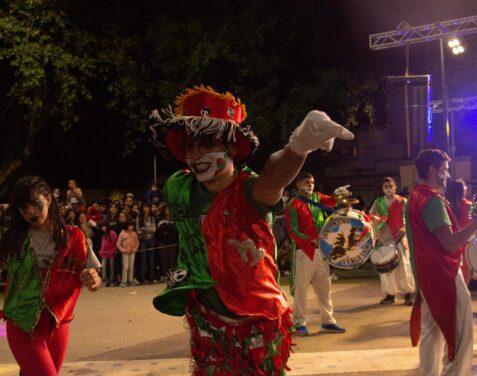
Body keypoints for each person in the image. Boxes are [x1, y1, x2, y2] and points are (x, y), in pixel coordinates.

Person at [150, 85, 354, 374]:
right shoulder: (178, 187)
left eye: (207, 143)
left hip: (259, 319)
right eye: (190, 145)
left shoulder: (249, 190)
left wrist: (298, 148)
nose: (196, 154)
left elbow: (274, 177)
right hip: (207, 321)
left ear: (231, 146)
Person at [0, 176, 102, 376]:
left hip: (58, 323)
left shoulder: (74, 237)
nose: (31, 212)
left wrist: (93, 279)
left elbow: (95, 280)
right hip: (22, 324)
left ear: (48, 198)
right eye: (24, 209)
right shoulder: (12, 239)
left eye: (36, 205)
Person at [406, 149, 477, 376]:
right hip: (444, 276)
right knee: (459, 336)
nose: (447, 175)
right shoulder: (432, 201)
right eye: (444, 170)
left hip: (426, 277)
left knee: (431, 334)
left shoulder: (414, 197)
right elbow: (449, 243)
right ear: (432, 170)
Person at [285, 172, 346, 335]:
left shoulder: (318, 197)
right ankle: (299, 323)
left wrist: (338, 194)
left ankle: (328, 321)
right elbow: (292, 231)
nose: (310, 185)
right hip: (304, 252)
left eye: (312, 182)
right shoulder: (293, 205)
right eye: (306, 182)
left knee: (325, 288)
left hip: (321, 252)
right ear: (298, 185)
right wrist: (309, 239)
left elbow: (332, 201)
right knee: (301, 290)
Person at [369, 177, 415, 306]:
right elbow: (370, 216)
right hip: (384, 238)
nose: (388, 188)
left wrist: (404, 228)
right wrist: (376, 227)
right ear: (382, 189)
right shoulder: (378, 202)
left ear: (395, 187)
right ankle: (390, 295)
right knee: (387, 268)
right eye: (385, 186)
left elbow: (408, 217)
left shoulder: (402, 201)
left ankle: (408, 294)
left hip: (400, 237)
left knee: (404, 266)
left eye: (390, 186)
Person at [445, 179, 473, 284]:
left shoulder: (446, 205)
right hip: (466, 241)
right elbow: (471, 223)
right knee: (466, 271)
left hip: (453, 240)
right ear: (463, 190)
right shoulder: (469, 205)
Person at [116, 220, 139, 287]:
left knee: (131, 266)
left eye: (132, 225)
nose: (131, 227)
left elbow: (137, 242)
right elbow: (118, 243)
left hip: (132, 252)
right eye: (130, 225)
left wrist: (134, 249)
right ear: (127, 226)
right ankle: (124, 281)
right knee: (125, 267)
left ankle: (130, 280)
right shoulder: (122, 233)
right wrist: (123, 250)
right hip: (125, 253)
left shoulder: (134, 233)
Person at [99, 222, 119, 287]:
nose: (103, 228)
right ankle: (104, 280)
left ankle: (111, 281)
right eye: (102, 226)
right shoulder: (103, 234)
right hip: (104, 253)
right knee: (103, 267)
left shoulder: (112, 233)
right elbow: (103, 245)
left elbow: (116, 243)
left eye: (104, 226)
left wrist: (112, 251)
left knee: (111, 267)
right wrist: (101, 251)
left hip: (111, 253)